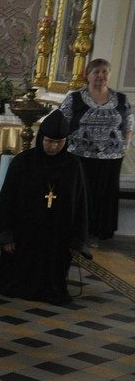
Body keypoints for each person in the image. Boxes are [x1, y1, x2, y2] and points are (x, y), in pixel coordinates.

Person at [0, 111, 89, 305]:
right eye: (49, 141)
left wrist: (76, 239)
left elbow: (80, 205)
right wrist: (7, 235)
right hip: (24, 231)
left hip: (57, 233)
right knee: (16, 276)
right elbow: (7, 201)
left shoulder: (73, 166)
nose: (53, 147)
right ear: (41, 137)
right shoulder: (23, 162)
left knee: (52, 272)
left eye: (59, 142)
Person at [59, 58, 132, 243]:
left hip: (111, 157)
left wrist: (124, 147)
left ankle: (99, 231)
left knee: (104, 195)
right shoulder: (74, 98)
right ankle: (76, 231)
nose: (100, 76)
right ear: (88, 75)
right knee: (82, 192)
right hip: (80, 155)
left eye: (104, 72)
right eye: (96, 72)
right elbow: (62, 123)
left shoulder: (121, 99)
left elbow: (128, 126)